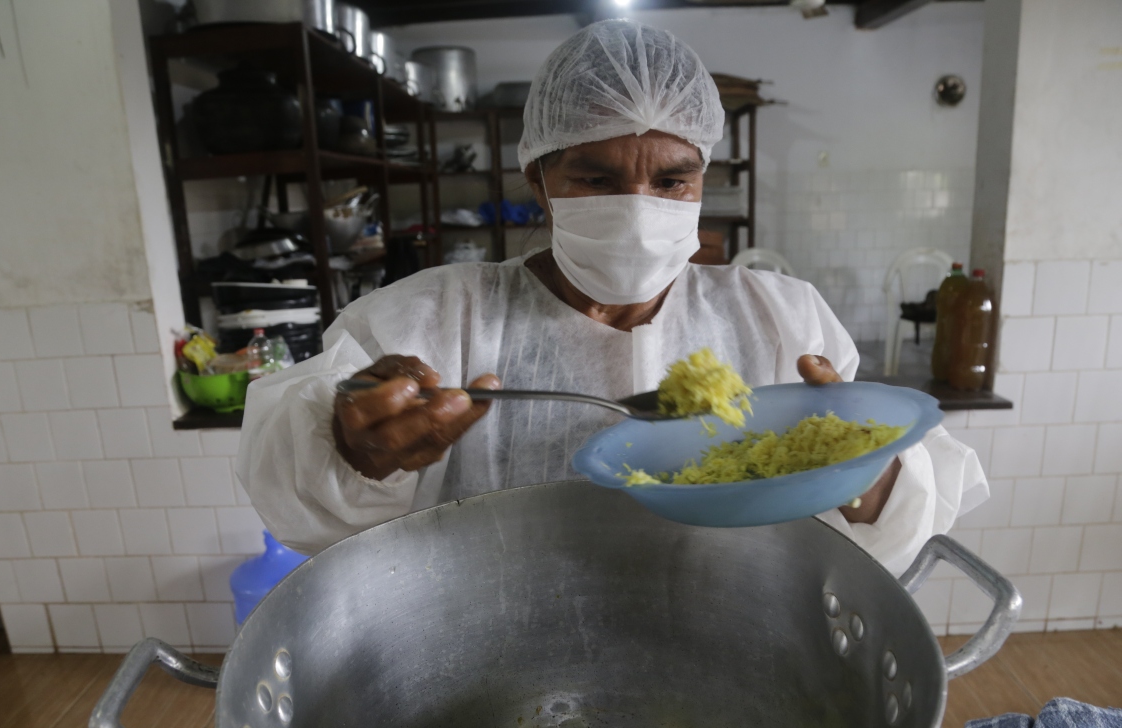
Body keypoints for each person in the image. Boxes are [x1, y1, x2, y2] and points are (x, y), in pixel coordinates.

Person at [237, 19, 987, 575]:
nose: (638, 207)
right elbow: (290, 487)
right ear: (538, 181)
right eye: (595, 179)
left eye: (671, 181)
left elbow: (906, 517)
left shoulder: (782, 320)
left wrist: (863, 463)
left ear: (702, 181)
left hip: (731, 652)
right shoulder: (431, 321)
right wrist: (352, 443)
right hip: (487, 653)